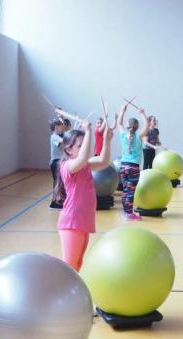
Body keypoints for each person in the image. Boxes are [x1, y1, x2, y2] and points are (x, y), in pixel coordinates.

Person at [56, 119, 113, 270]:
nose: (83, 149)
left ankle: (74, 292)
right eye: (79, 146)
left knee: (77, 265)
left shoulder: (84, 166)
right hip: (71, 222)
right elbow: (82, 158)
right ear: (69, 150)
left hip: (82, 222)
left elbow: (104, 161)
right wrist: (88, 132)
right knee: (69, 265)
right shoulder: (67, 166)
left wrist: (106, 140)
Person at [116, 100, 150, 221]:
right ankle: (129, 214)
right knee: (131, 192)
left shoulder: (122, 134)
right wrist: (142, 113)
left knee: (125, 190)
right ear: (137, 127)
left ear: (128, 126)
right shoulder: (139, 136)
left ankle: (126, 212)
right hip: (133, 168)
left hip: (123, 166)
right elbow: (147, 125)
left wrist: (122, 111)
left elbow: (119, 123)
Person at [48, 118, 66, 209]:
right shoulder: (54, 137)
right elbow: (63, 141)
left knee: (59, 183)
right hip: (55, 162)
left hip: (59, 162)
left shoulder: (58, 136)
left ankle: (59, 201)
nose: (62, 128)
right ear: (56, 127)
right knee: (56, 183)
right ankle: (54, 203)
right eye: (60, 126)